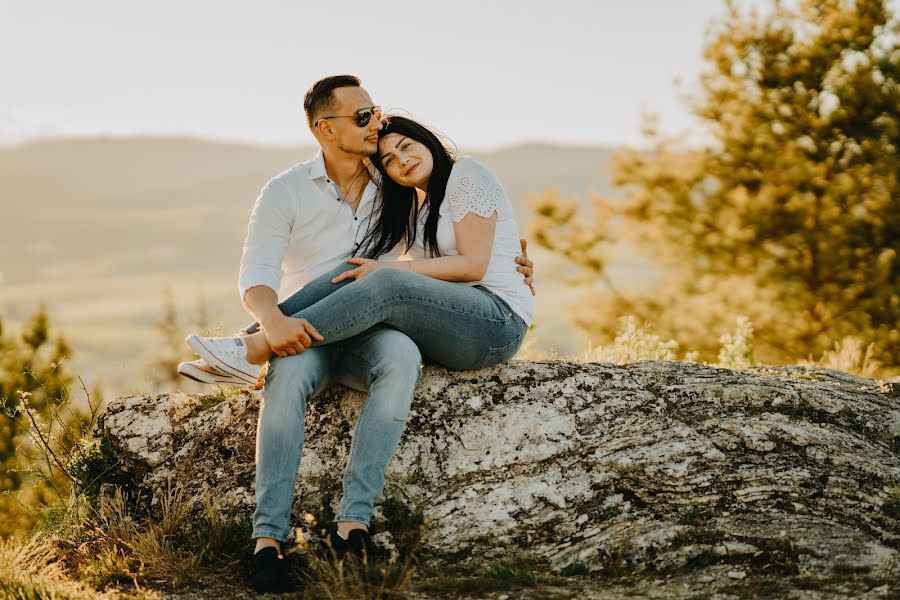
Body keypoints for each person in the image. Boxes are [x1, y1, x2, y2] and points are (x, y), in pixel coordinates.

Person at [177, 75, 534, 594]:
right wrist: (274, 322)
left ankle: (354, 524)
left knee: (399, 352)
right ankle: (268, 539)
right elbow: (256, 272)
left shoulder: (396, 181)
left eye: (378, 114)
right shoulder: (289, 190)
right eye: (363, 117)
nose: (378, 128)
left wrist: (517, 262)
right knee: (292, 369)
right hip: (302, 327)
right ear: (326, 128)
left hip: (379, 323)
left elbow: (465, 248)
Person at [187, 115, 534, 379]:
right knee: (355, 269)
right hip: (454, 322)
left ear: (424, 139)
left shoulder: (466, 174)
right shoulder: (414, 207)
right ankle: (240, 347)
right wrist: (374, 269)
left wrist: (387, 271)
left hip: (496, 322)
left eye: (406, 146)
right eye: (390, 161)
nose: (403, 161)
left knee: (384, 279)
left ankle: (256, 349)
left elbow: (473, 265)